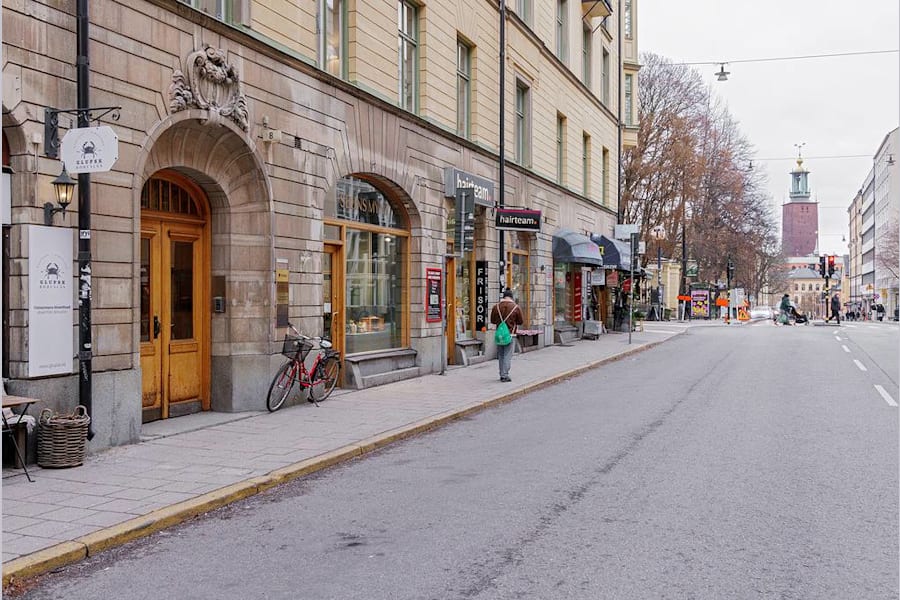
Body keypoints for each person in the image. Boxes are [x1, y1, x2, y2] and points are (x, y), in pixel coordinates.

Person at [490, 289, 524, 382]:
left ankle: (501, 373)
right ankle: (505, 375)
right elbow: (520, 321)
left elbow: (492, 320)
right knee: (508, 354)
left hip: (499, 334)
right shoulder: (515, 307)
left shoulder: (496, 307)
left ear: (503, 297)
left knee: (501, 354)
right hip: (510, 334)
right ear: (511, 297)